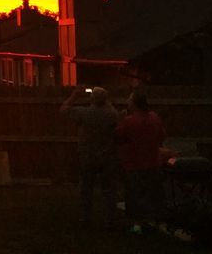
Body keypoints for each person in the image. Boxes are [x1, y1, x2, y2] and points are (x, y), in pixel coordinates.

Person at [60, 86, 120, 228]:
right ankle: (110, 219)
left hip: (88, 155)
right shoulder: (112, 114)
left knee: (86, 188)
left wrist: (74, 96)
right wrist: (107, 101)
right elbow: (115, 117)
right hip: (107, 156)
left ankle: (85, 218)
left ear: (91, 99)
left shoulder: (84, 112)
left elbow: (63, 110)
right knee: (109, 190)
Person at [116, 90, 167, 235]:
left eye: (130, 100)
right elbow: (162, 136)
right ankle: (154, 222)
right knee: (153, 194)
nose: (128, 102)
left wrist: (121, 120)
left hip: (134, 164)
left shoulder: (129, 121)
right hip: (153, 162)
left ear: (135, 103)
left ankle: (137, 224)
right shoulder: (155, 118)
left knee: (135, 195)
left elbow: (118, 137)